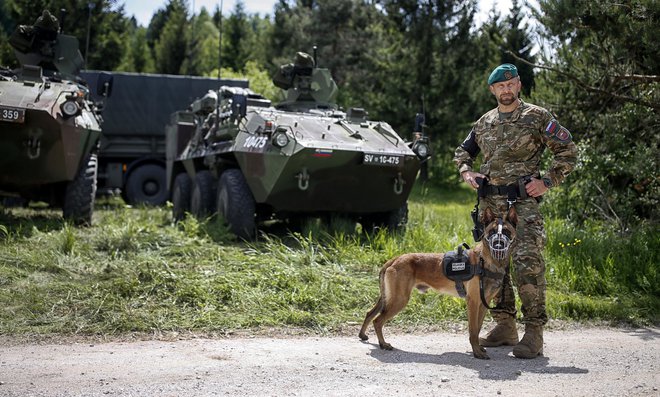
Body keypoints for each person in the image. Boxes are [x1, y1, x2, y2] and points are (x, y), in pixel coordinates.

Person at [453, 63, 578, 358]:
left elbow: (568, 151)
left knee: (527, 264)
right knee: (493, 267)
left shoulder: (537, 117)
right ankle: (505, 325)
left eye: (510, 84)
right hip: (490, 209)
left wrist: (547, 180)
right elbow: (463, 153)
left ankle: (534, 332)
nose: (506, 90)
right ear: (492, 90)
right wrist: (466, 172)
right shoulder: (484, 122)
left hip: (523, 207)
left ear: (519, 85)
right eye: (500, 86)